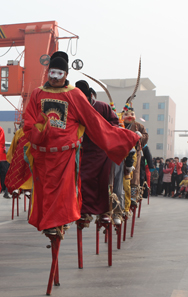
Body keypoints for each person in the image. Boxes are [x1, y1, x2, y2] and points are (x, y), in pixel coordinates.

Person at [23, 51, 139, 235]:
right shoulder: (38, 93)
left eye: (58, 74)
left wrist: (123, 137)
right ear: (47, 73)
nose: (54, 77)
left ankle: (111, 208)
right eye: (51, 73)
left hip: (67, 153)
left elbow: (95, 121)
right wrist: (37, 130)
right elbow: (28, 120)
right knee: (44, 189)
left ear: (66, 75)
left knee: (71, 188)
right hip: (43, 153)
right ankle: (50, 222)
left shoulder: (76, 95)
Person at [75, 80, 120, 223]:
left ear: (90, 96)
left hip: (102, 151)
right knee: (84, 180)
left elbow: (115, 124)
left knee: (104, 180)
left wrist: (103, 131)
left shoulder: (102, 107)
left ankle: (105, 212)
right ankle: (85, 212)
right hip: (83, 150)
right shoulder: (75, 107)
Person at [122, 105, 148, 205]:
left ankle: (132, 196)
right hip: (121, 152)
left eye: (132, 114)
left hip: (135, 152)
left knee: (135, 174)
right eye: (126, 114)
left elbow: (146, 136)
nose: (129, 116)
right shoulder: (119, 124)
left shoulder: (139, 126)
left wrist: (140, 136)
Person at [5, 118, 33, 196]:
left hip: (29, 155)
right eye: (23, 122)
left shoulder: (33, 132)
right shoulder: (18, 132)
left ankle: (28, 189)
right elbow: (13, 146)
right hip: (19, 156)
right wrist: (12, 157)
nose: (24, 124)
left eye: (26, 122)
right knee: (17, 171)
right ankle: (17, 188)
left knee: (29, 172)